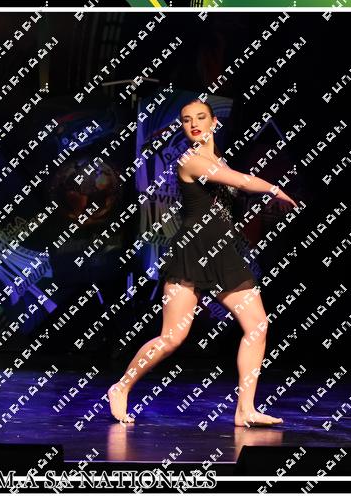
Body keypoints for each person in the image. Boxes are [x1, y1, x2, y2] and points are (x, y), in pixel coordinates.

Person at [107, 99, 298, 427]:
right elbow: (241, 182)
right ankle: (121, 387)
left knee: (258, 325)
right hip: (192, 252)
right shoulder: (190, 160)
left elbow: (230, 202)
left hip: (224, 254)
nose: (194, 124)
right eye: (186, 120)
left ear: (214, 123)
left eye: (200, 118)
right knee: (172, 338)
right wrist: (273, 189)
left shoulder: (218, 160)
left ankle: (245, 409)